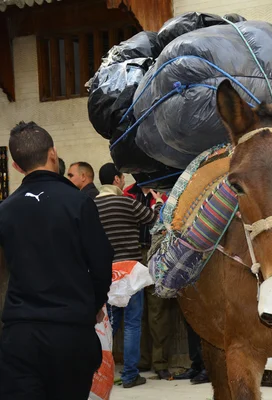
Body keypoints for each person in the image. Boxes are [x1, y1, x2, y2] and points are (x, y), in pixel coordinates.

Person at [0, 122, 113, 399]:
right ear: (53, 154)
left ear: (16, 167)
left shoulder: (5, 210)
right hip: (70, 332)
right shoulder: (78, 203)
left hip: (20, 336)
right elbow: (101, 264)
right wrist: (93, 305)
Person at [95, 163, 163, 389]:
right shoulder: (126, 202)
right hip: (130, 271)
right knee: (133, 323)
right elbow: (153, 221)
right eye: (122, 178)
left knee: (109, 325)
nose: (123, 182)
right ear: (116, 179)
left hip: (106, 273)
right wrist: (160, 203)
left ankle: (97, 371)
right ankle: (130, 375)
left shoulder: (91, 205)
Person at [123, 183, 173, 380]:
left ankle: (160, 362)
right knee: (135, 311)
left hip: (155, 254)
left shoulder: (164, 194)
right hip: (132, 254)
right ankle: (140, 360)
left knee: (157, 309)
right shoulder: (128, 194)